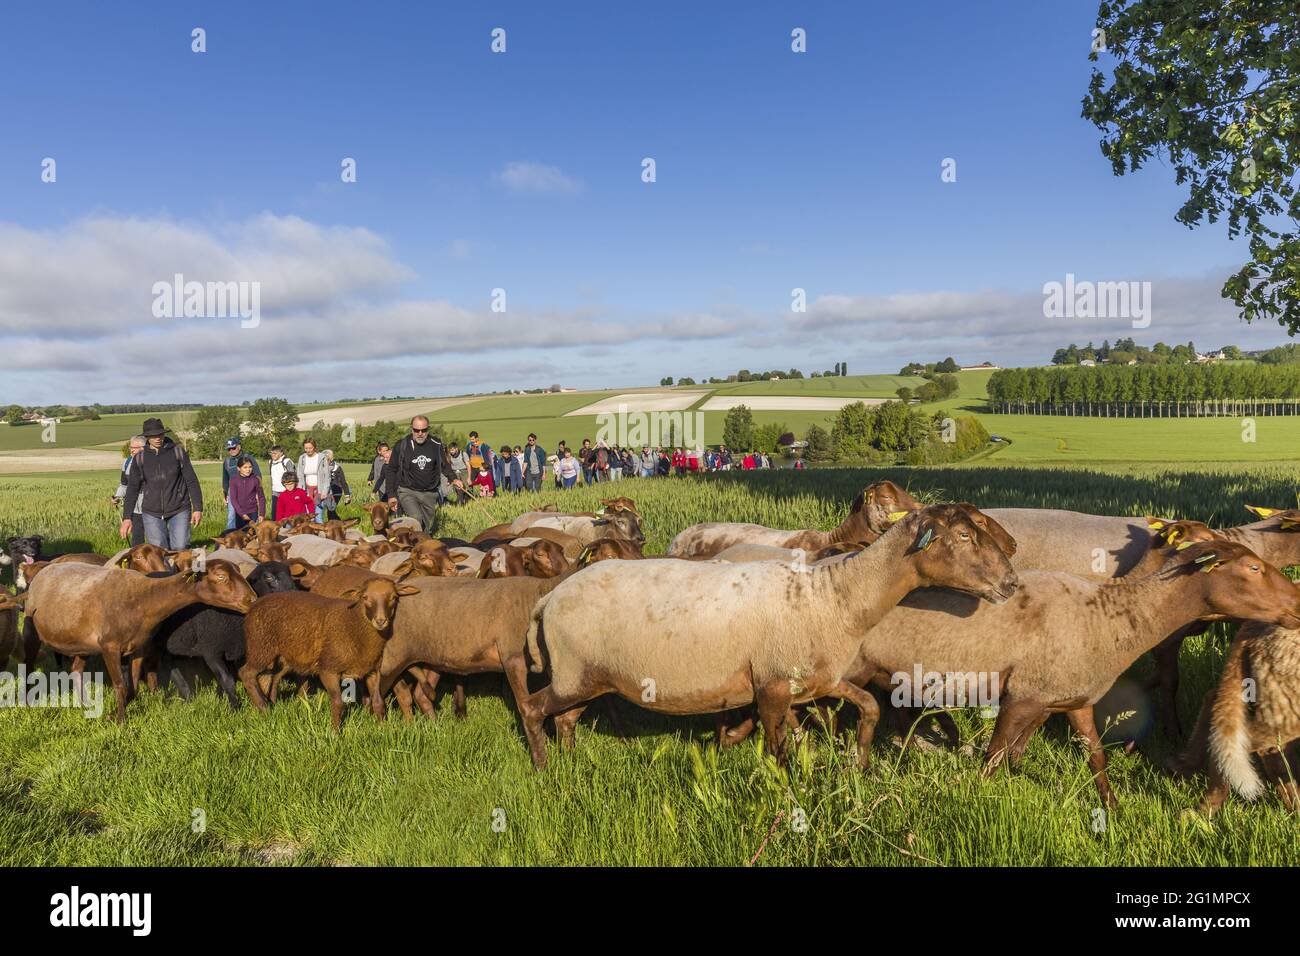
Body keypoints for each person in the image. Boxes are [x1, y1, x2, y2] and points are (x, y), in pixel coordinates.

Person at [119, 418, 202, 550]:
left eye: (160, 434)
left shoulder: (178, 452)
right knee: (159, 551)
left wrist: (198, 508)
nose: (158, 438)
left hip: (179, 508)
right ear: (146, 437)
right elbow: (132, 489)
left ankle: (183, 570)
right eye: (153, 435)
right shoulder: (140, 458)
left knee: (180, 547)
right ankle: (167, 571)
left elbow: (191, 480)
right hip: (151, 512)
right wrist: (127, 518)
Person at [384, 416, 464, 533]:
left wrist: (454, 479)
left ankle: (423, 545)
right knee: (416, 519)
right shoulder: (402, 445)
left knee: (428, 526)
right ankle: (414, 547)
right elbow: (391, 470)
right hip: (408, 491)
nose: (420, 433)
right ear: (412, 429)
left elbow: (444, 465)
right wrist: (391, 495)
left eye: (424, 430)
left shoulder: (436, 444)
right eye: (416, 430)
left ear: (428, 429)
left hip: (430, 492)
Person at [113, 434, 147, 546]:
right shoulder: (127, 462)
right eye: (131, 448)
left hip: (152, 507)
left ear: (143, 448)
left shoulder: (151, 462)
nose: (131, 451)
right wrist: (117, 497)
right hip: (134, 508)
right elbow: (124, 484)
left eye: (134, 448)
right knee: (137, 539)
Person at [221, 437, 261, 531]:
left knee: (250, 513)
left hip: (249, 488)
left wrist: (257, 492)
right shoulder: (227, 461)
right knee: (231, 515)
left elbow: (257, 474)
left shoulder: (248, 458)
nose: (231, 450)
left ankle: (252, 534)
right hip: (233, 491)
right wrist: (224, 495)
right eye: (229, 449)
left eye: (233, 448)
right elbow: (225, 480)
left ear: (239, 446)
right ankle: (231, 537)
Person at [296, 438, 331, 521]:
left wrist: (324, 492)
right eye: (306, 448)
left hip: (319, 491)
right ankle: (310, 534)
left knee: (318, 516)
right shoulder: (302, 458)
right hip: (307, 491)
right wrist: (300, 490)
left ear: (314, 447)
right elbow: (299, 475)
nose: (308, 450)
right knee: (308, 516)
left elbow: (327, 476)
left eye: (310, 448)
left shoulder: (322, 458)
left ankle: (321, 533)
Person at [227, 455, 266, 529]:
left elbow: (261, 497)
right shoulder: (233, 480)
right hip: (239, 513)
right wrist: (242, 514)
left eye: (250, 467)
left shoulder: (255, 480)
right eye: (245, 467)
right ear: (238, 468)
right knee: (241, 535)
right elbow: (233, 500)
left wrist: (262, 514)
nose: (248, 470)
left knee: (252, 534)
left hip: (253, 512)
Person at [267, 444, 291, 520]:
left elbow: (293, 476)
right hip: (275, 492)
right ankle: (275, 530)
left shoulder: (287, 461)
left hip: (286, 491)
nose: (272, 455)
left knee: (286, 514)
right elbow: (272, 477)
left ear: (281, 453)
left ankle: (286, 530)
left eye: (275, 453)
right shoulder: (270, 462)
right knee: (274, 513)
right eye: (271, 453)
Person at [325, 450, 351, 520]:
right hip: (326, 491)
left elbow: (343, 481)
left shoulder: (337, 467)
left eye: (329, 456)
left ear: (332, 457)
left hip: (336, 491)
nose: (327, 458)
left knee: (331, 510)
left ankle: (336, 526)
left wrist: (347, 495)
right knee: (330, 511)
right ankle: (339, 525)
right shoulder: (321, 467)